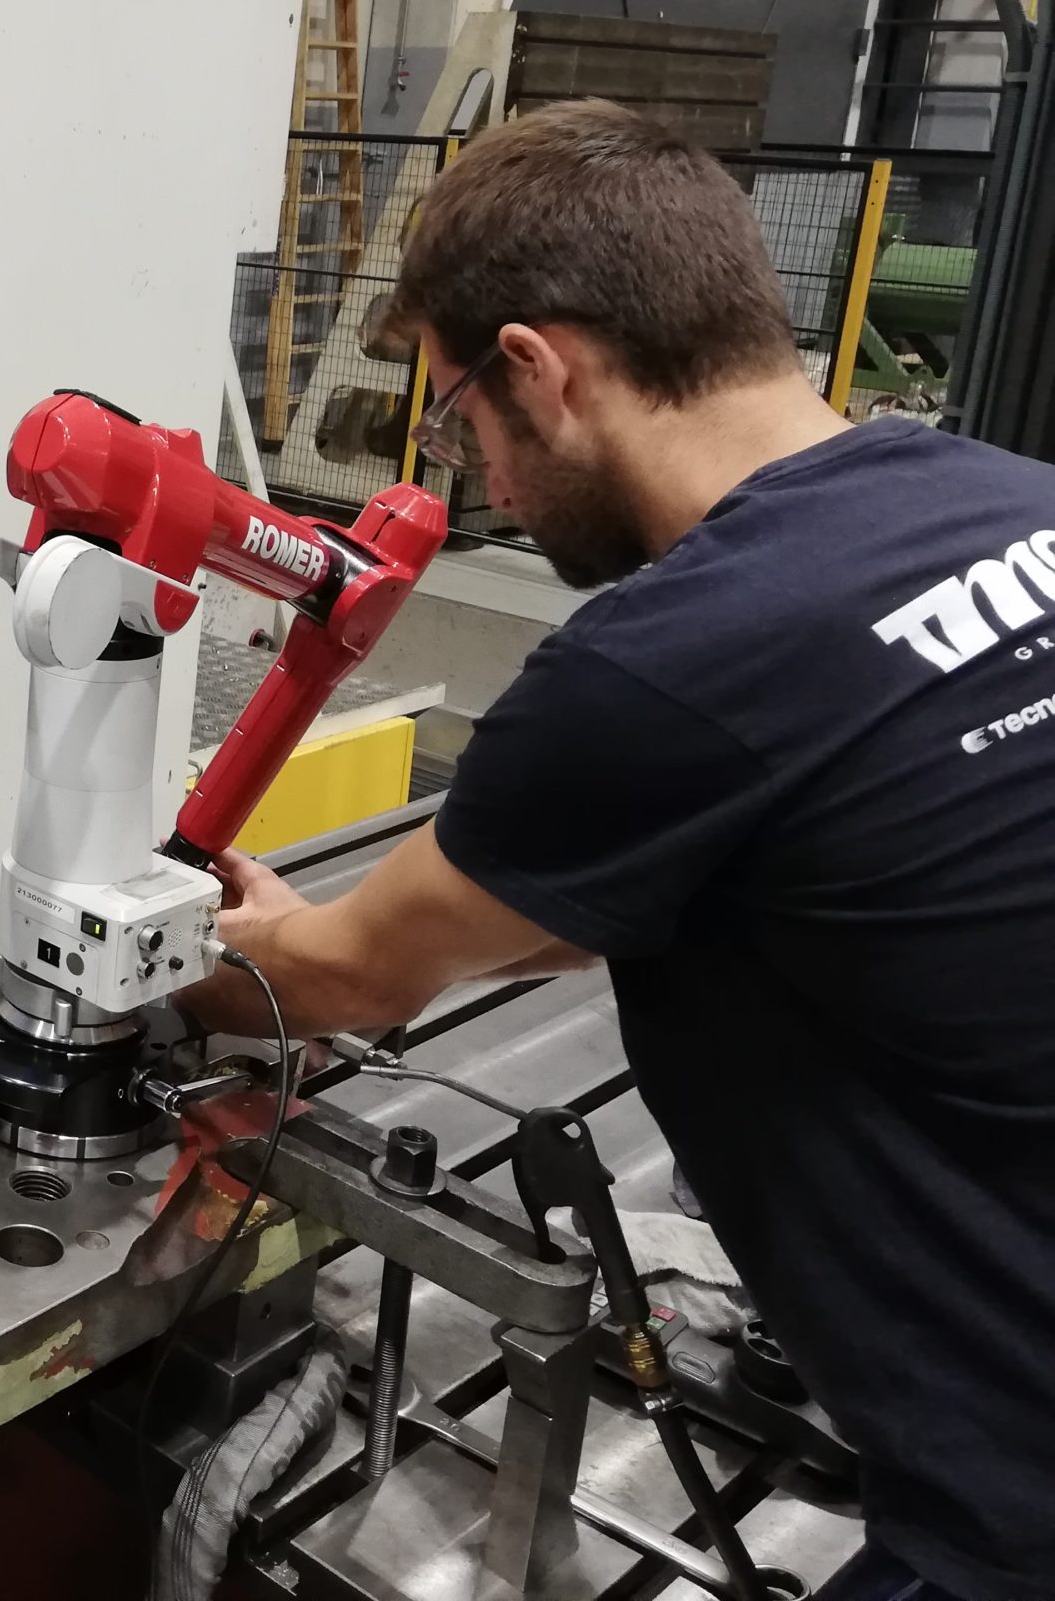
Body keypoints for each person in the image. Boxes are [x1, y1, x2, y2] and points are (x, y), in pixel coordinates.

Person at [175, 101, 1055, 1601]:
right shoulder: (1015, 500)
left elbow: (348, 984)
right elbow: (740, 875)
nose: (493, 488)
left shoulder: (672, 659)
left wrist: (172, 959)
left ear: (540, 369)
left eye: (464, 423)